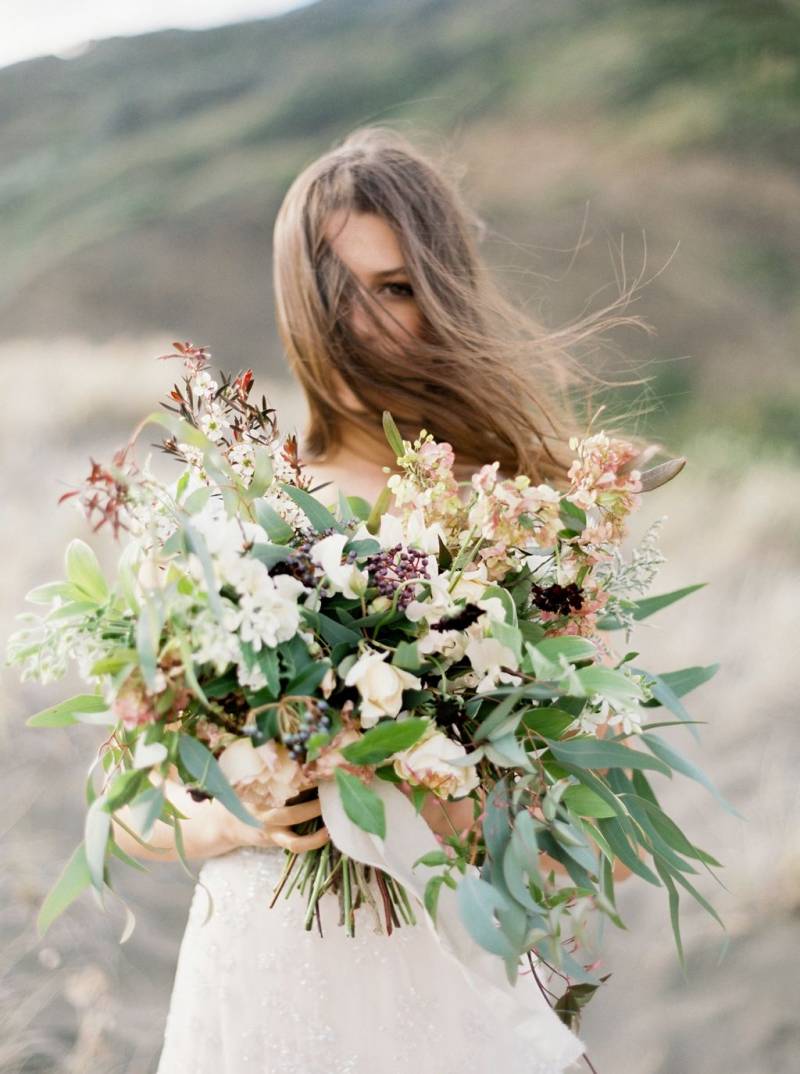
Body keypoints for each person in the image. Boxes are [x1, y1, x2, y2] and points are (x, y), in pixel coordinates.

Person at [113, 125, 641, 1074]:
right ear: (296, 300)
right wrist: (246, 815)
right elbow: (124, 809)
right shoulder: (232, 518)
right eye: (340, 292)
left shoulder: (514, 516)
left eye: (397, 288)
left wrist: (449, 805)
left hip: (442, 990)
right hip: (265, 982)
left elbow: (579, 830)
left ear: (444, 288)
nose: (364, 325)